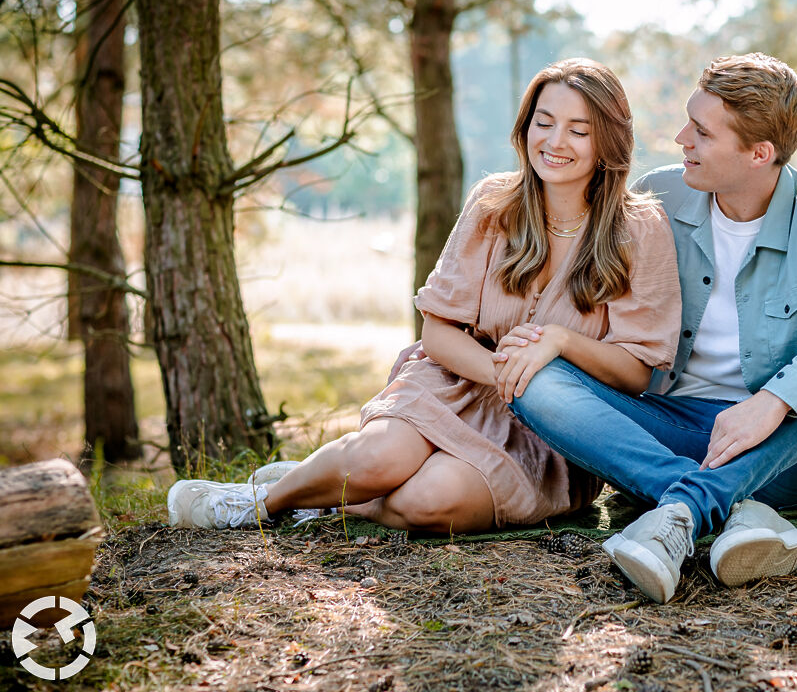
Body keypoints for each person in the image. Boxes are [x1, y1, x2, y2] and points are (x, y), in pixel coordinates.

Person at [167, 58, 682, 533]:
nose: (555, 141)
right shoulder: (493, 204)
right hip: (456, 382)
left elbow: (639, 371)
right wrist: (503, 375)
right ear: (525, 127)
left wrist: (561, 342)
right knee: (377, 460)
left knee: (427, 502)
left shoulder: (638, 227)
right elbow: (437, 332)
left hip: (553, 430)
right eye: (543, 122)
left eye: (579, 129)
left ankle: (323, 489)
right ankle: (262, 504)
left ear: (608, 141)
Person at [506, 53, 797, 603]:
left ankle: (680, 510)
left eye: (701, 132)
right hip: (671, 432)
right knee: (532, 376)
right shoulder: (660, 195)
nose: (681, 138)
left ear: (759, 154)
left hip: (789, 453)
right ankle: (721, 505)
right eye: (688, 121)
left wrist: (776, 399)